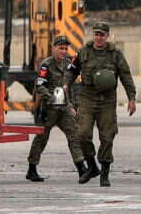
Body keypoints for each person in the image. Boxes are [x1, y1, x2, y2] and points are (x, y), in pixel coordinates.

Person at [63, 22, 137, 187]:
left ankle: (104, 173)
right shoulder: (84, 52)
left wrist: (131, 98)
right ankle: (92, 166)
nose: (98, 37)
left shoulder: (115, 54)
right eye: (96, 34)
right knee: (82, 133)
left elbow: (126, 76)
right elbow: (71, 69)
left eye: (102, 35)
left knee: (107, 136)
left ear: (107, 36)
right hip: (87, 98)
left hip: (107, 100)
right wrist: (66, 83)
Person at [26, 35, 89, 183]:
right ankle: (32, 168)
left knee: (74, 135)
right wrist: (53, 99)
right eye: (60, 48)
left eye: (66, 48)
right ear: (53, 48)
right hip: (49, 109)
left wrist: (75, 105)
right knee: (41, 138)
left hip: (65, 108)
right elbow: (40, 86)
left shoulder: (69, 64)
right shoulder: (46, 64)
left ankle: (81, 169)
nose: (63, 51)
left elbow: (75, 86)